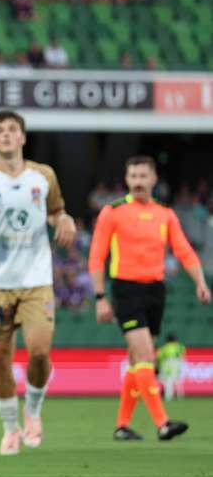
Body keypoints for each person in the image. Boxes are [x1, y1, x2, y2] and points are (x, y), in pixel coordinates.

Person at [0, 110, 76, 456]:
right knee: (1, 357)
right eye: (0, 130)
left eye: (12, 129)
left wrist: (64, 218)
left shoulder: (43, 175)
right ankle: (10, 429)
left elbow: (56, 210)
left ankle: (33, 411)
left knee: (39, 352)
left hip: (37, 280)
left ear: (23, 137)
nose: (6, 134)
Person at [88, 156, 209, 441]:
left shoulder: (165, 214)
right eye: (133, 176)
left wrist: (200, 282)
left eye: (143, 176)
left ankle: (122, 426)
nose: (138, 181)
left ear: (154, 179)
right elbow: (96, 255)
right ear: (127, 180)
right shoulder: (113, 212)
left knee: (136, 360)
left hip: (156, 290)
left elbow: (183, 251)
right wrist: (100, 297)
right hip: (125, 288)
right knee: (145, 355)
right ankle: (162, 423)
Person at [157, 333, 186, 402]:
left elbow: (159, 358)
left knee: (167, 381)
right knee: (177, 381)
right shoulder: (180, 347)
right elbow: (183, 356)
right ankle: (180, 396)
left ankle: (168, 397)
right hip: (178, 368)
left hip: (167, 368)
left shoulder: (164, 348)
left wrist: (158, 367)